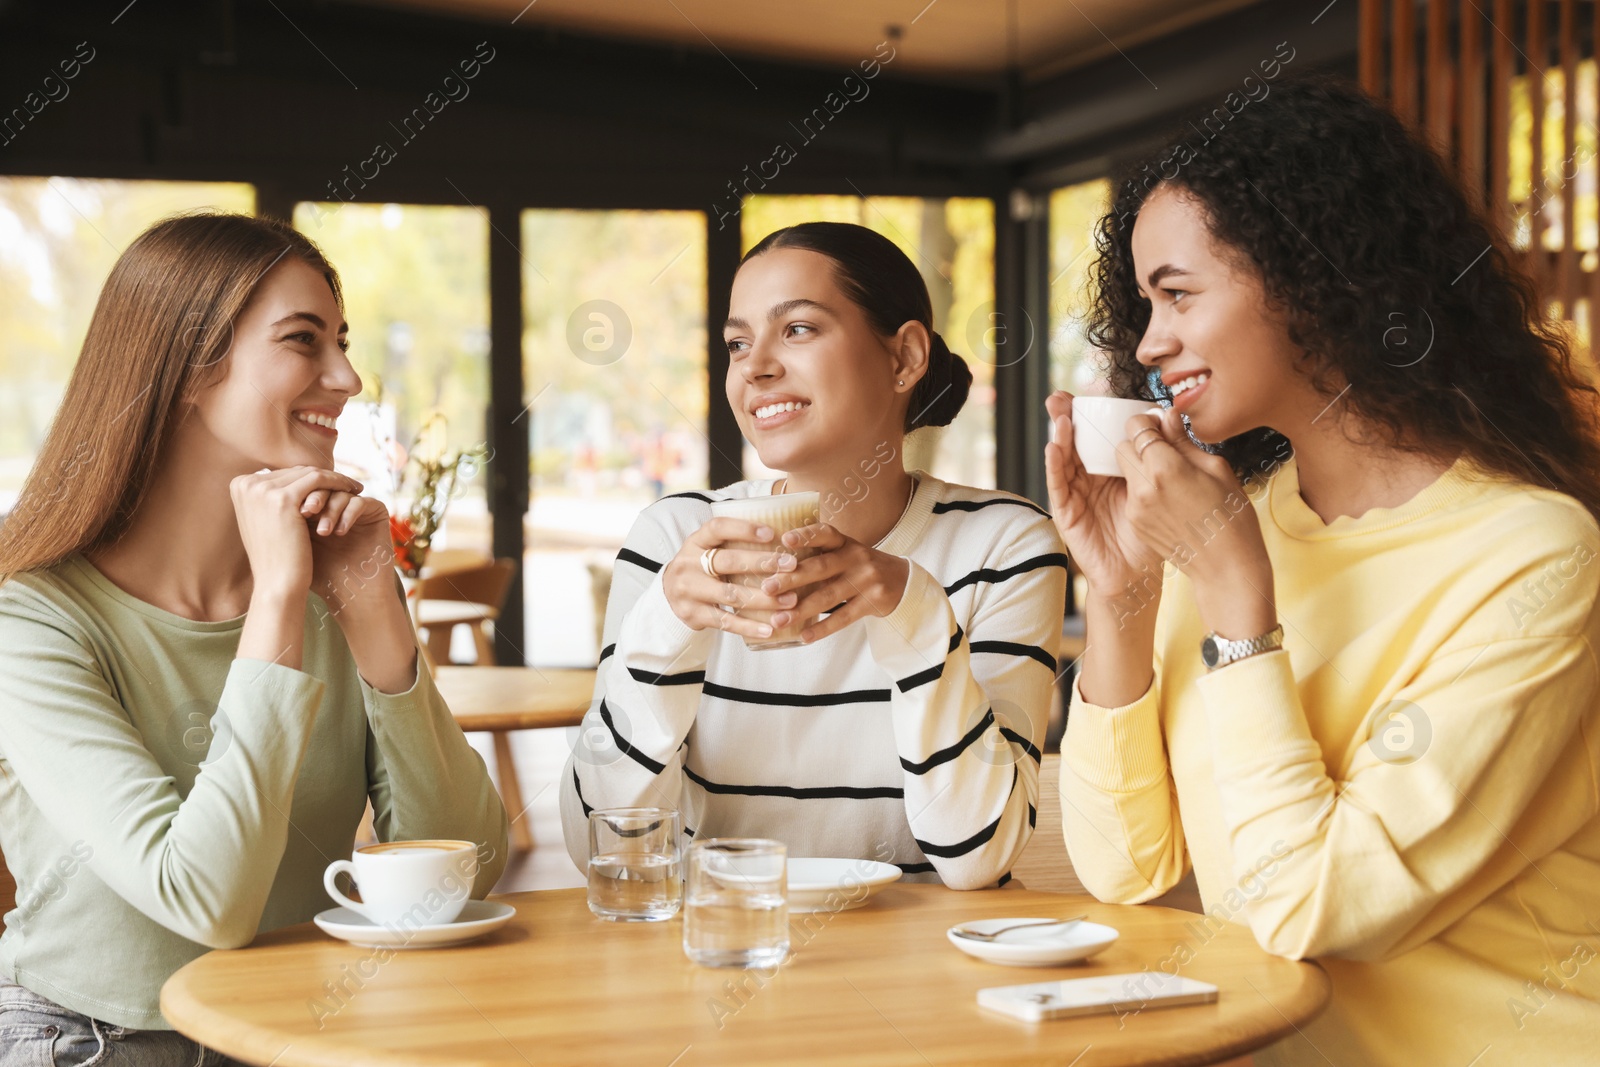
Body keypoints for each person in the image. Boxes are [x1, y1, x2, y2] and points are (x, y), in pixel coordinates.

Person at [1047, 75, 1600, 1065]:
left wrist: (1234, 601)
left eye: (1177, 294)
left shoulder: (1534, 556)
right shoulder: (1231, 527)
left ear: (1312, 277)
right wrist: (1125, 595)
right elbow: (1125, 869)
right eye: (1142, 302)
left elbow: (1309, 907)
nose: (1148, 343)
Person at [0, 213, 508, 1065]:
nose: (346, 376)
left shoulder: (328, 588)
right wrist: (277, 599)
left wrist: (372, 609)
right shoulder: (34, 618)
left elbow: (472, 868)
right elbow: (204, 901)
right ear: (187, 370)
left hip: (305, 1030)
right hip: (97, 1040)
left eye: (341, 341)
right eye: (304, 341)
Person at [560, 222, 1067, 889]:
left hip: (925, 968)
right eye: (738, 343)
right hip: (721, 947)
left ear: (904, 357)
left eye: (797, 329)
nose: (755, 365)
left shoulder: (1005, 544)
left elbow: (979, 857)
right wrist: (666, 628)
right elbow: (602, 846)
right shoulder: (676, 538)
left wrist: (913, 609)